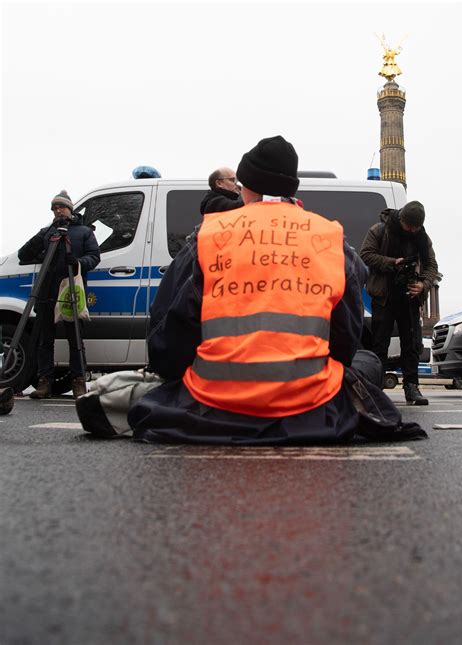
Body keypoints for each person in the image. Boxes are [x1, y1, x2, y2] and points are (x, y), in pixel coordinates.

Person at [100, 135, 424, 445]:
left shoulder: (210, 235)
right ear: (290, 188)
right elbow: (345, 341)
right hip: (310, 406)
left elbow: (167, 338)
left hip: (212, 403)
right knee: (368, 361)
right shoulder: (330, 238)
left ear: (246, 187)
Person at [18, 190, 100, 399]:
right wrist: (42, 235)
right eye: (54, 208)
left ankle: (79, 382)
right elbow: (24, 255)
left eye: (61, 207)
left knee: (75, 339)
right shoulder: (47, 232)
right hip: (46, 291)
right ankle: (44, 382)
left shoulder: (84, 232)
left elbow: (94, 257)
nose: (57, 211)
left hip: (71, 291)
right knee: (45, 341)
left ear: (70, 209)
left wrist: (79, 263)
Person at [360, 201, 438, 405]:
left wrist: (423, 284)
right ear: (401, 218)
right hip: (384, 296)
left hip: (410, 297)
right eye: (409, 226)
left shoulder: (422, 237)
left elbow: (431, 265)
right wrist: (392, 262)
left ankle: (412, 388)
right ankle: (375, 388)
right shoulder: (379, 230)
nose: (412, 230)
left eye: (416, 227)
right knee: (379, 344)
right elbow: (365, 255)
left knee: (411, 345)